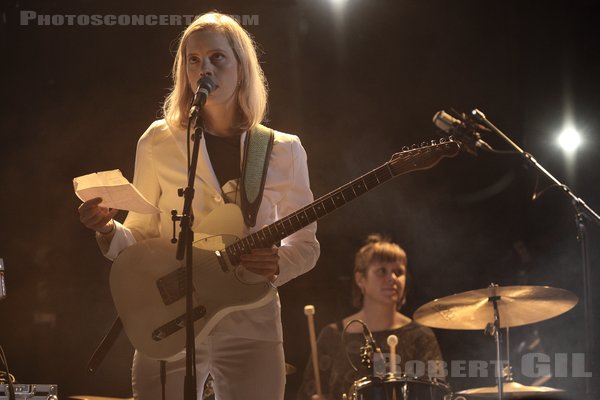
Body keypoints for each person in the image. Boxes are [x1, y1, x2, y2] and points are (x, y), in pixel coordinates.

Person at [78, 12, 320, 400]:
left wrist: (280, 262)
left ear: (241, 67)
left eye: (216, 57)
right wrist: (107, 229)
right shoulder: (158, 140)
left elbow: (306, 245)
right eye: (193, 59)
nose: (203, 67)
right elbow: (139, 237)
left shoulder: (282, 149)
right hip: (171, 317)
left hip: (250, 319)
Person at [297, 235, 443, 400]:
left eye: (399, 272)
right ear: (361, 279)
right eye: (382, 271)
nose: (393, 278)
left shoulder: (420, 335)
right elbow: (308, 393)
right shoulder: (331, 336)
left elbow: (436, 392)